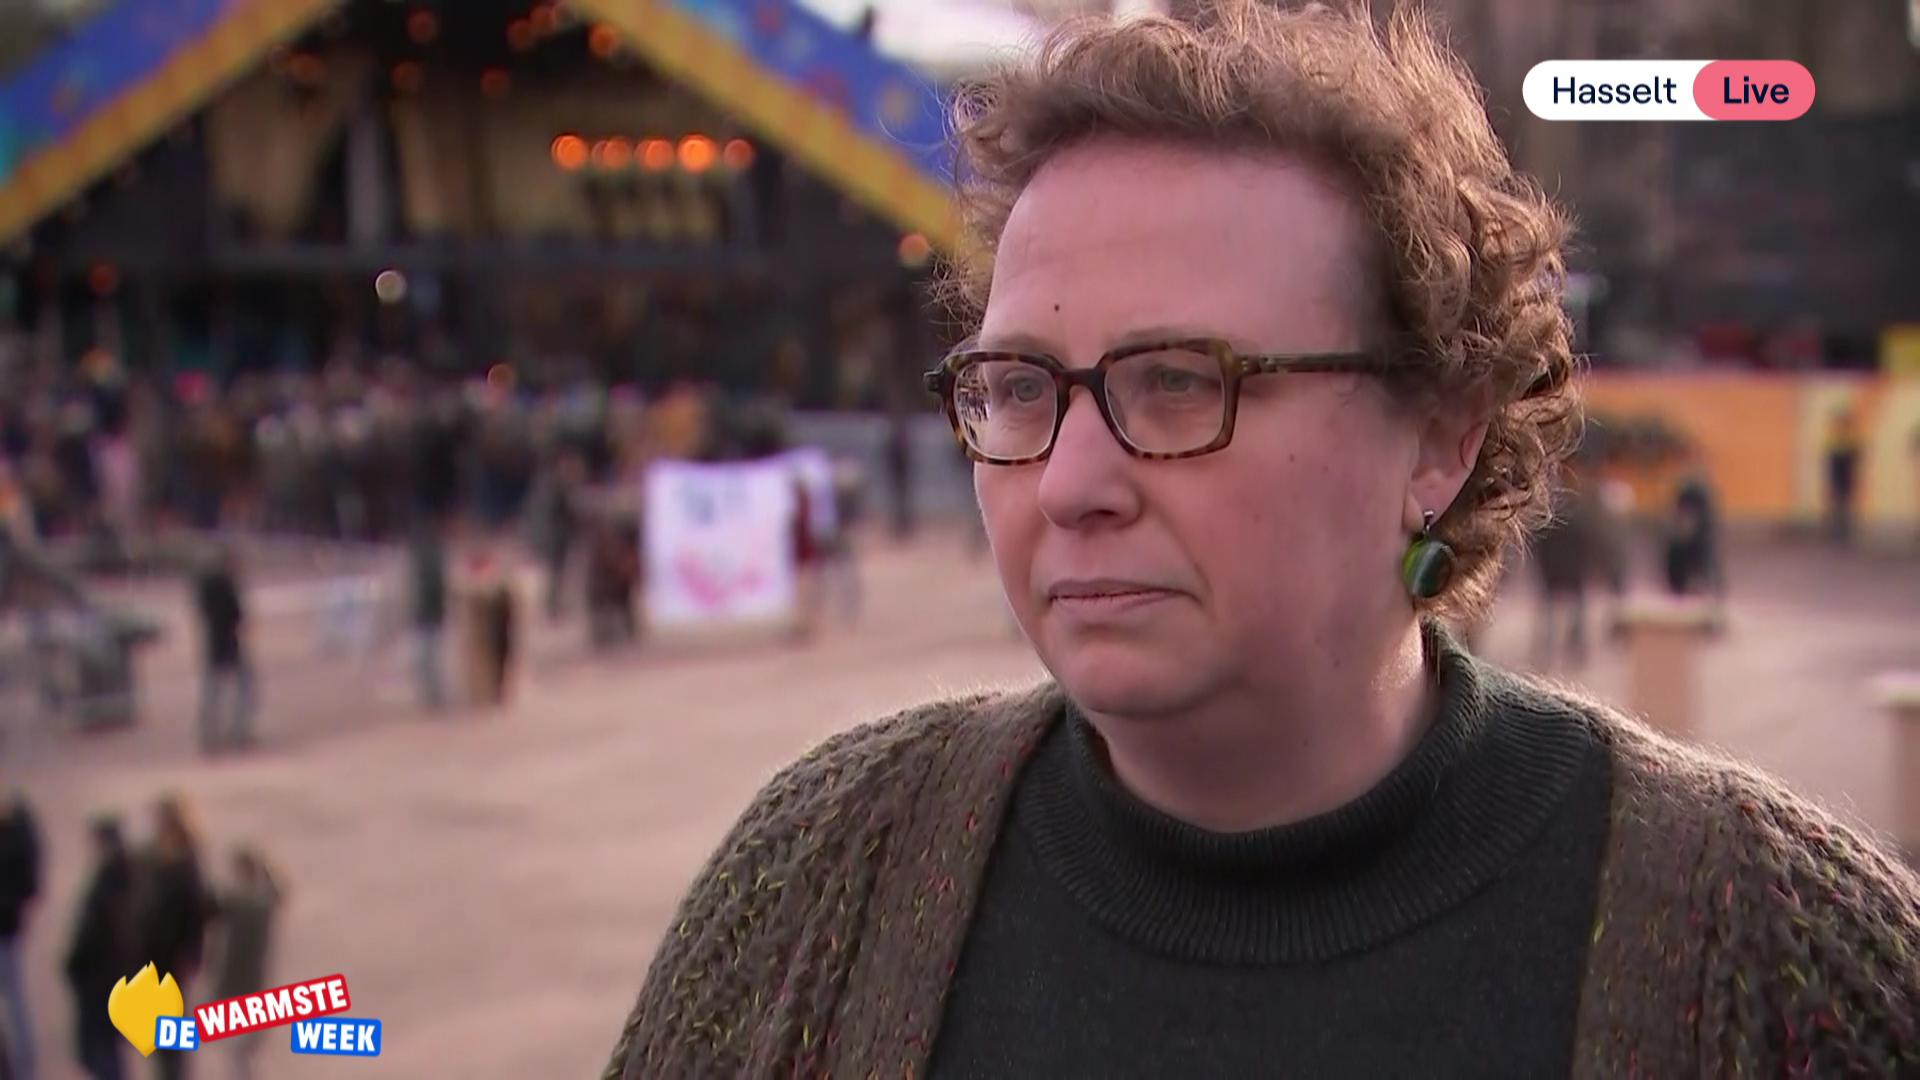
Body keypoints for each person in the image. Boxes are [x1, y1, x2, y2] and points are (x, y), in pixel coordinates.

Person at [602, 6, 1920, 1078]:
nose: (1071, 484)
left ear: (1440, 437)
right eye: (1019, 388)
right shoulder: (814, 882)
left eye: (1180, 382)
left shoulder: (1785, 958)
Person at [135, 796, 210, 1080]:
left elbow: (196, 915)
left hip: (173, 959)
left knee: (172, 1033)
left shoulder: (185, 863)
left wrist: (192, 956)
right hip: (153, 957)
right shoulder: (153, 858)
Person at [64, 816, 134, 1080]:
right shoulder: (124, 878)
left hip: (101, 980)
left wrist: (73, 965)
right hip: (113, 977)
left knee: (104, 1052)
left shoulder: (107, 884)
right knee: (109, 1050)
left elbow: (92, 933)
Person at [208, 848, 283, 1080]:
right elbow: (279, 893)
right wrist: (267, 871)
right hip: (250, 977)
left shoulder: (236, 902)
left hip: (237, 976)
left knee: (239, 1048)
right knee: (243, 1047)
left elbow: (210, 905)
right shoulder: (261, 902)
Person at [193, 547, 255, 753]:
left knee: (212, 691)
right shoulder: (226, 586)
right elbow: (237, 616)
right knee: (243, 687)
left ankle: (209, 735)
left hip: (213, 643)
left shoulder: (205, 586)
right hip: (229, 644)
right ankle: (238, 732)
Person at [0, 793, 38, 1080]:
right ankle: (22, 1065)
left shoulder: (13, 835)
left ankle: (21, 1066)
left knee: (14, 999)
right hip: (10, 924)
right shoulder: (19, 830)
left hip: (5, 925)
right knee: (14, 997)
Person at [406, 516, 450, 710]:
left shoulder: (426, 559)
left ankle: (433, 695)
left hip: (427, 614)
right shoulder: (434, 557)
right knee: (429, 658)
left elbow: (429, 589)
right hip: (429, 614)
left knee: (427, 658)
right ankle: (433, 694)